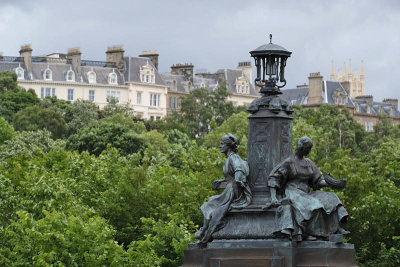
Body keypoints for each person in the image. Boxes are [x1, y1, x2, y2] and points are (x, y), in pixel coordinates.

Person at [267, 136, 348, 242]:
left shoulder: (308, 163)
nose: (310, 150)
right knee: (315, 205)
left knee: (332, 198)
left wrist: (331, 183)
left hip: (306, 193)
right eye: (308, 148)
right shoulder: (289, 162)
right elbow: (274, 178)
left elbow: (318, 180)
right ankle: (310, 233)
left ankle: (336, 229)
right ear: (302, 147)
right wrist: (273, 197)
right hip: (293, 192)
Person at [195, 133, 252, 245]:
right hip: (229, 188)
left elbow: (240, 168)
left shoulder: (234, 157)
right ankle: (204, 231)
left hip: (233, 191)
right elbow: (230, 176)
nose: (220, 146)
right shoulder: (228, 159)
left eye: (222, 144)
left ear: (228, 145)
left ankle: (204, 233)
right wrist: (222, 181)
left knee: (210, 205)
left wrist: (239, 178)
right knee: (210, 202)